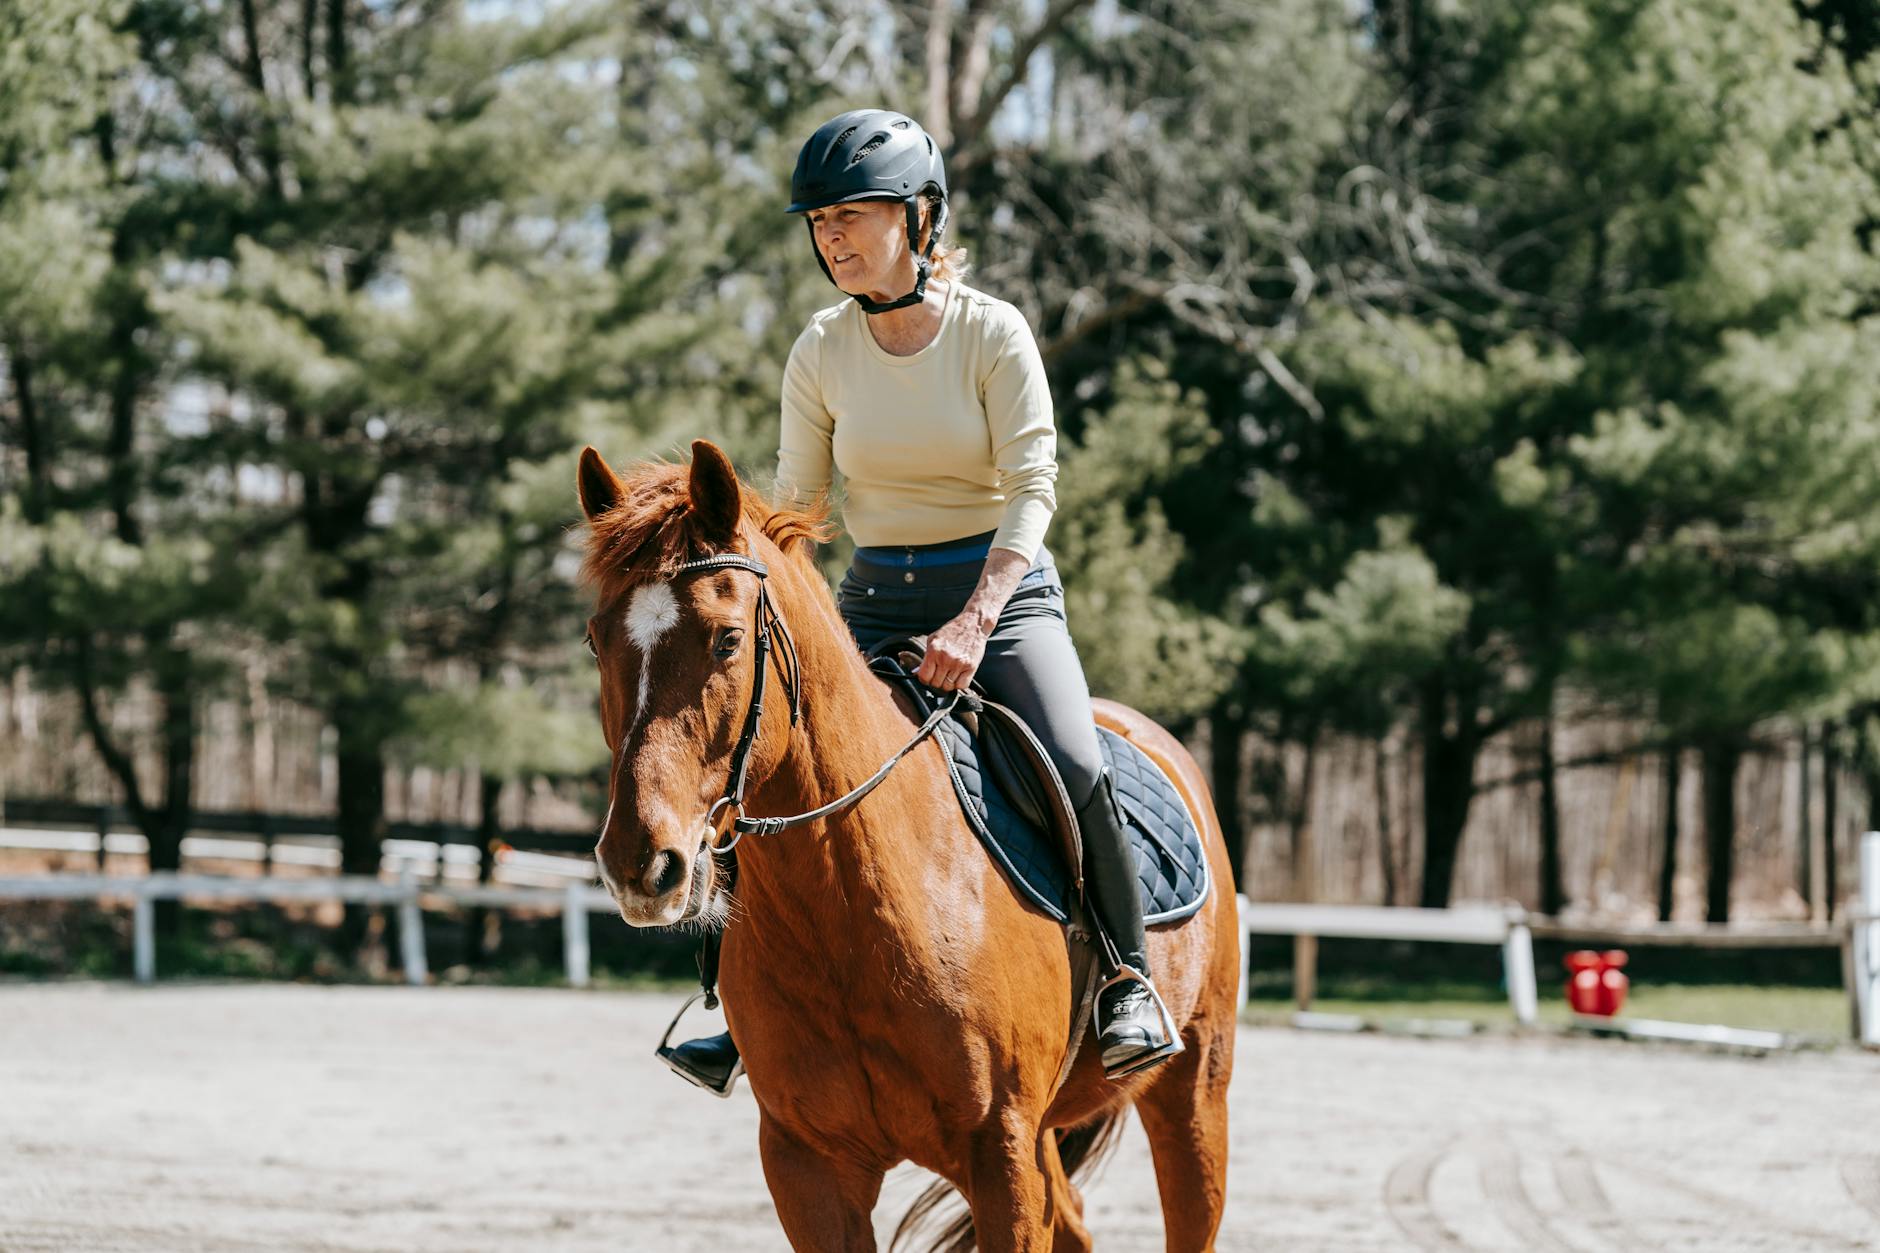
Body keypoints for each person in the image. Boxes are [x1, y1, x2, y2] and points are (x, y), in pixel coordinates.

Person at [662, 108, 1179, 1095]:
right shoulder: (818, 350)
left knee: (1073, 757)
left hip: (1003, 595)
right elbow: (801, 507)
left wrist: (979, 616)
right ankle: (729, 1002)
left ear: (922, 216)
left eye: (854, 213)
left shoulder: (992, 333)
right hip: (871, 599)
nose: (833, 236)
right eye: (818, 221)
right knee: (757, 763)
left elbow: (1033, 487)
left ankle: (1123, 980)